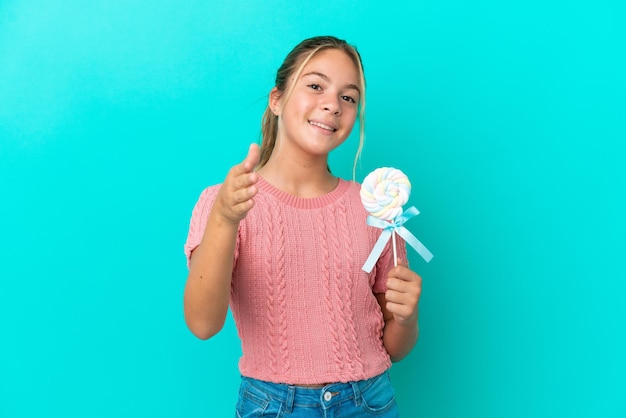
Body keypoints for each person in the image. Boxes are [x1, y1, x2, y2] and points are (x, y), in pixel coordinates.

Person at [183, 35, 422, 417]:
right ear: (276, 100)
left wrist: (408, 318)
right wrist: (226, 220)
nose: (332, 104)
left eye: (349, 97)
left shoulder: (375, 207)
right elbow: (202, 323)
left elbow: (395, 345)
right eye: (315, 85)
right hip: (272, 406)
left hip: (370, 402)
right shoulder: (224, 201)